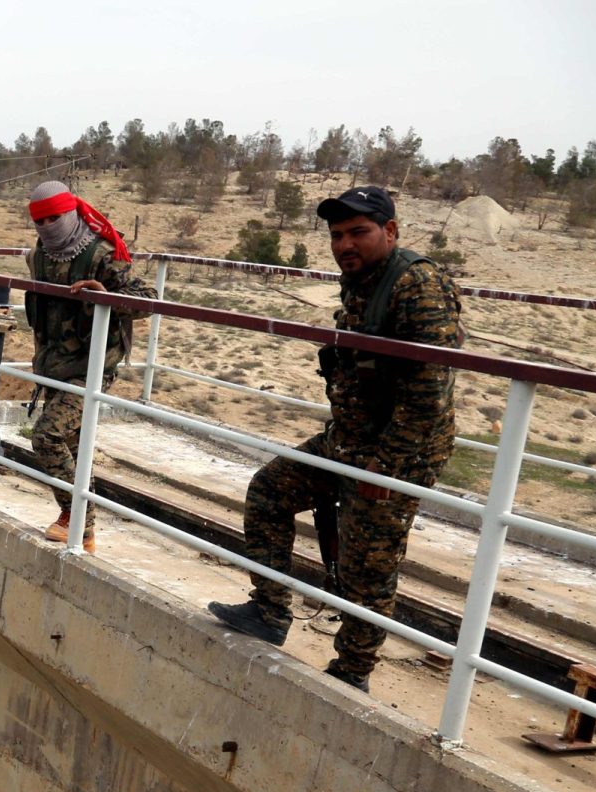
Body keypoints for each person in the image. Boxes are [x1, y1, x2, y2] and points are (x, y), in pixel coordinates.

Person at [207, 185, 464, 694]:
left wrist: (381, 467)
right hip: (347, 440)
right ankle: (270, 610)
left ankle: (353, 672)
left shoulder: (418, 285)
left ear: (391, 231)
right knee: (270, 492)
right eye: (337, 235)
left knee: (368, 563)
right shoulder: (360, 280)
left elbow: (429, 394)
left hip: (398, 453)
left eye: (359, 233)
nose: (345, 244)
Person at [23, 179, 153, 552]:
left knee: (46, 437)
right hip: (54, 366)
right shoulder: (42, 254)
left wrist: (107, 296)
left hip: (92, 367)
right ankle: (82, 527)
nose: (47, 227)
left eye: (54, 218)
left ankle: (78, 518)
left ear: (72, 212)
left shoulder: (101, 254)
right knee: (72, 447)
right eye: (40, 221)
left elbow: (147, 300)